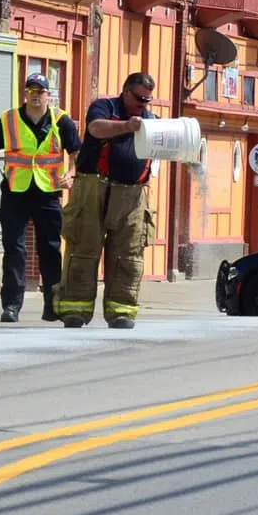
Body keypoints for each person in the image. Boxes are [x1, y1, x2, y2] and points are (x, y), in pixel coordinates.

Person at [0, 73, 81, 323]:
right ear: (25, 94)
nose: (35, 96)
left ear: (49, 95)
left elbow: (78, 154)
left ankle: (52, 304)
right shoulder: (9, 120)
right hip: (16, 191)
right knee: (14, 249)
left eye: (40, 91)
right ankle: (12, 306)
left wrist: (71, 174)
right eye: (31, 91)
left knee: (49, 249)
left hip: (47, 193)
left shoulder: (62, 121)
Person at [56, 72, 159, 329]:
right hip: (93, 187)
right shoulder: (104, 107)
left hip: (132, 194)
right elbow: (95, 128)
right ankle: (75, 310)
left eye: (147, 100)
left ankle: (121, 312)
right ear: (125, 92)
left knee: (128, 253)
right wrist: (127, 126)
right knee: (83, 248)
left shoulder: (152, 120)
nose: (143, 105)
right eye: (138, 98)